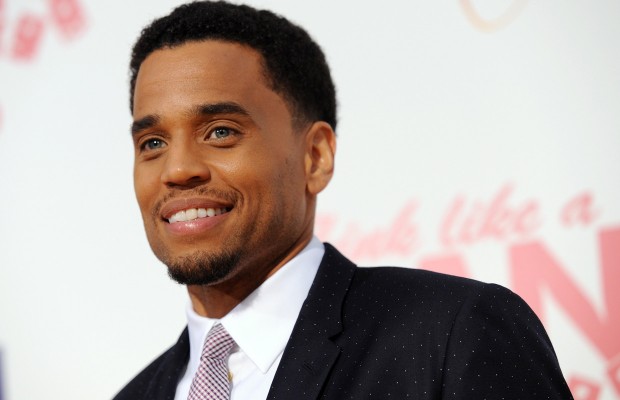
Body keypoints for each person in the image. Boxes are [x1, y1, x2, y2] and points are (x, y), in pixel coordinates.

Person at [114, 1, 574, 399]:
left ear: (315, 157)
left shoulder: (451, 334)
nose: (177, 170)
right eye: (152, 143)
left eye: (220, 132)